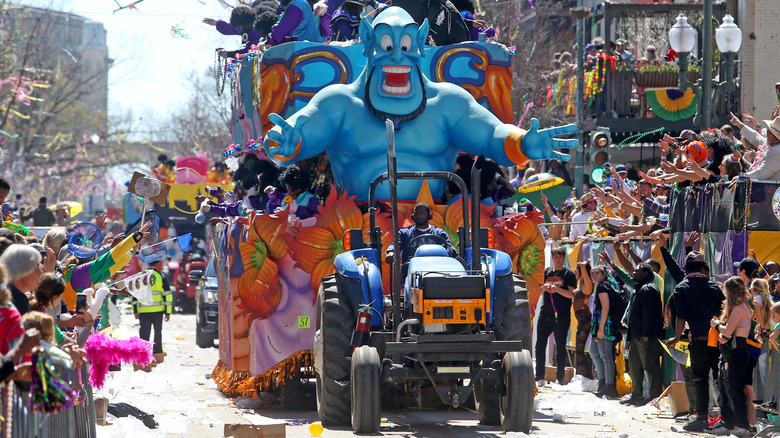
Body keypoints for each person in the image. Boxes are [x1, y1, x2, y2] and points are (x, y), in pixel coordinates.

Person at [667, 251, 726, 432]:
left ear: (686, 270)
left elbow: (681, 317)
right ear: (702, 269)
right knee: (718, 380)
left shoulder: (681, 288)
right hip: (717, 339)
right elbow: (723, 310)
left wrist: (677, 337)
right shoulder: (715, 287)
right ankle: (726, 419)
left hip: (699, 340)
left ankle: (701, 419)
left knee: (700, 380)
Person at [708, 277, 752, 436]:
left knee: (733, 388)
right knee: (724, 386)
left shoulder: (740, 308)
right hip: (732, 349)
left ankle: (741, 425)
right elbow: (730, 333)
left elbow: (727, 330)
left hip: (735, 352)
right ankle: (729, 422)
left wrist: (716, 325)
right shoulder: (741, 307)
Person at [621, 263, 663, 406]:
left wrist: (645, 334)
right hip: (636, 336)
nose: (634, 272)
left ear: (646, 274)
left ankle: (654, 396)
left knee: (650, 366)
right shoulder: (638, 289)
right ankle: (636, 394)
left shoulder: (648, 289)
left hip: (647, 336)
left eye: (637, 270)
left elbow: (648, 314)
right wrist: (629, 338)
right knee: (634, 366)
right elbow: (634, 315)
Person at [534, 247, 576, 386]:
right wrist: (544, 289)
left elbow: (572, 294)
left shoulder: (568, 274)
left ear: (563, 257)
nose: (557, 258)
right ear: (552, 257)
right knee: (539, 345)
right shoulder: (547, 272)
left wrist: (557, 289)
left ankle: (560, 378)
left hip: (561, 315)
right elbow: (539, 292)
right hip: (545, 313)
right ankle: (539, 376)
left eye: (560, 256)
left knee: (561, 347)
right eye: (555, 256)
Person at [384, 203, 455, 268]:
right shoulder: (404, 233)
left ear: (429, 216)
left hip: (435, 270)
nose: (418, 215)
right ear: (412, 216)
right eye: (416, 213)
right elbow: (395, 245)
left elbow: (448, 251)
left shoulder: (439, 233)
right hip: (411, 271)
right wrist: (391, 252)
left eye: (421, 213)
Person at [589, 265, 620, 398]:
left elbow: (605, 308)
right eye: (592, 273)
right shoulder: (603, 286)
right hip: (602, 324)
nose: (594, 275)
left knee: (606, 356)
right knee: (596, 352)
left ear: (604, 274)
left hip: (606, 325)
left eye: (597, 273)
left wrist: (601, 327)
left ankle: (609, 386)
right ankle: (603, 383)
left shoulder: (603, 287)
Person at [132, 265, 173, 363]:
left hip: (143, 311)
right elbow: (167, 294)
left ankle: (142, 355)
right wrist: (168, 312)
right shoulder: (160, 276)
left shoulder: (139, 277)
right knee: (158, 332)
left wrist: (135, 311)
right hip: (158, 311)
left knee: (144, 333)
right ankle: (157, 353)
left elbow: (134, 295)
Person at [0, 244, 43, 316]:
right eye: (36, 267)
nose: (40, 272)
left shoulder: (6, 291)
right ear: (23, 270)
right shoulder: (18, 299)